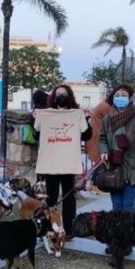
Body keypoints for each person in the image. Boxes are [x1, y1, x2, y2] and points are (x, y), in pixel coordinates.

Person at [35, 85, 92, 230]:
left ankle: (69, 228)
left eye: (63, 93)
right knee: (51, 197)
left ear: (69, 96)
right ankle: (48, 227)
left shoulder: (77, 113)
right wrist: (35, 117)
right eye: (58, 93)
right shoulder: (46, 114)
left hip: (68, 163)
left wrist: (86, 118)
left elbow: (87, 135)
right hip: (51, 163)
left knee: (68, 197)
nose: (60, 96)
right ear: (53, 97)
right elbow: (37, 134)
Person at [98, 84, 135, 212]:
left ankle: (130, 232)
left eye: (124, 95)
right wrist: (103, 151)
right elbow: (102, 138)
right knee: (116, 208)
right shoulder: (107, 119)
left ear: (131, 98)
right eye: (117, 95)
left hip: (131, 170)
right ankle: (117, 232)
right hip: (113, 169)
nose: (120, 98)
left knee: (127, 207)